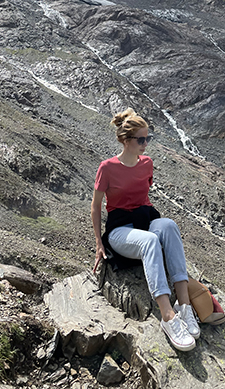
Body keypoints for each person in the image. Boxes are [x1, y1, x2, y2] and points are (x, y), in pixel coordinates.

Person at [91, 108, 199, 351]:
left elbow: (143, 198)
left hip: (144, 219)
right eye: (141, 139)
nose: (145, 144)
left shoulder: (147, 164)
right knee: (150, 241)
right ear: (126, 140)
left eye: (147, 138)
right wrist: (99, 243)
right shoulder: (107, 168)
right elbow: (96, 207)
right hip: (119, 229)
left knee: (169, 225)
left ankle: (185, 306)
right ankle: (168, 317)